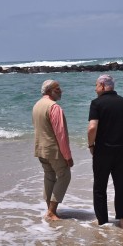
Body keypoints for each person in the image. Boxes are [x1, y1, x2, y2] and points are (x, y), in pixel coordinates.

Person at [87, 74, 123, 229]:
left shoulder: (96, 104)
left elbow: (92, 128)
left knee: (100, 187)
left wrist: (91, 146)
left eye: (96, 85)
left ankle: (102, 222)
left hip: (102, 151)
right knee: (122, 186)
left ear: (103, 85)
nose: (95, 89)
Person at [32, 79, 74, 221]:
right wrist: (68, 156)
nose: (61, 91)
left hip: (40, 148)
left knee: (49, 177)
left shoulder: (37, 105)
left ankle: (49, 210)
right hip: (53, 150)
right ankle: (51, 211)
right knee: (64, 176)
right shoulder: (54, 107)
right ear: (49, 91)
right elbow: (60, 134)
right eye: (57, 89)